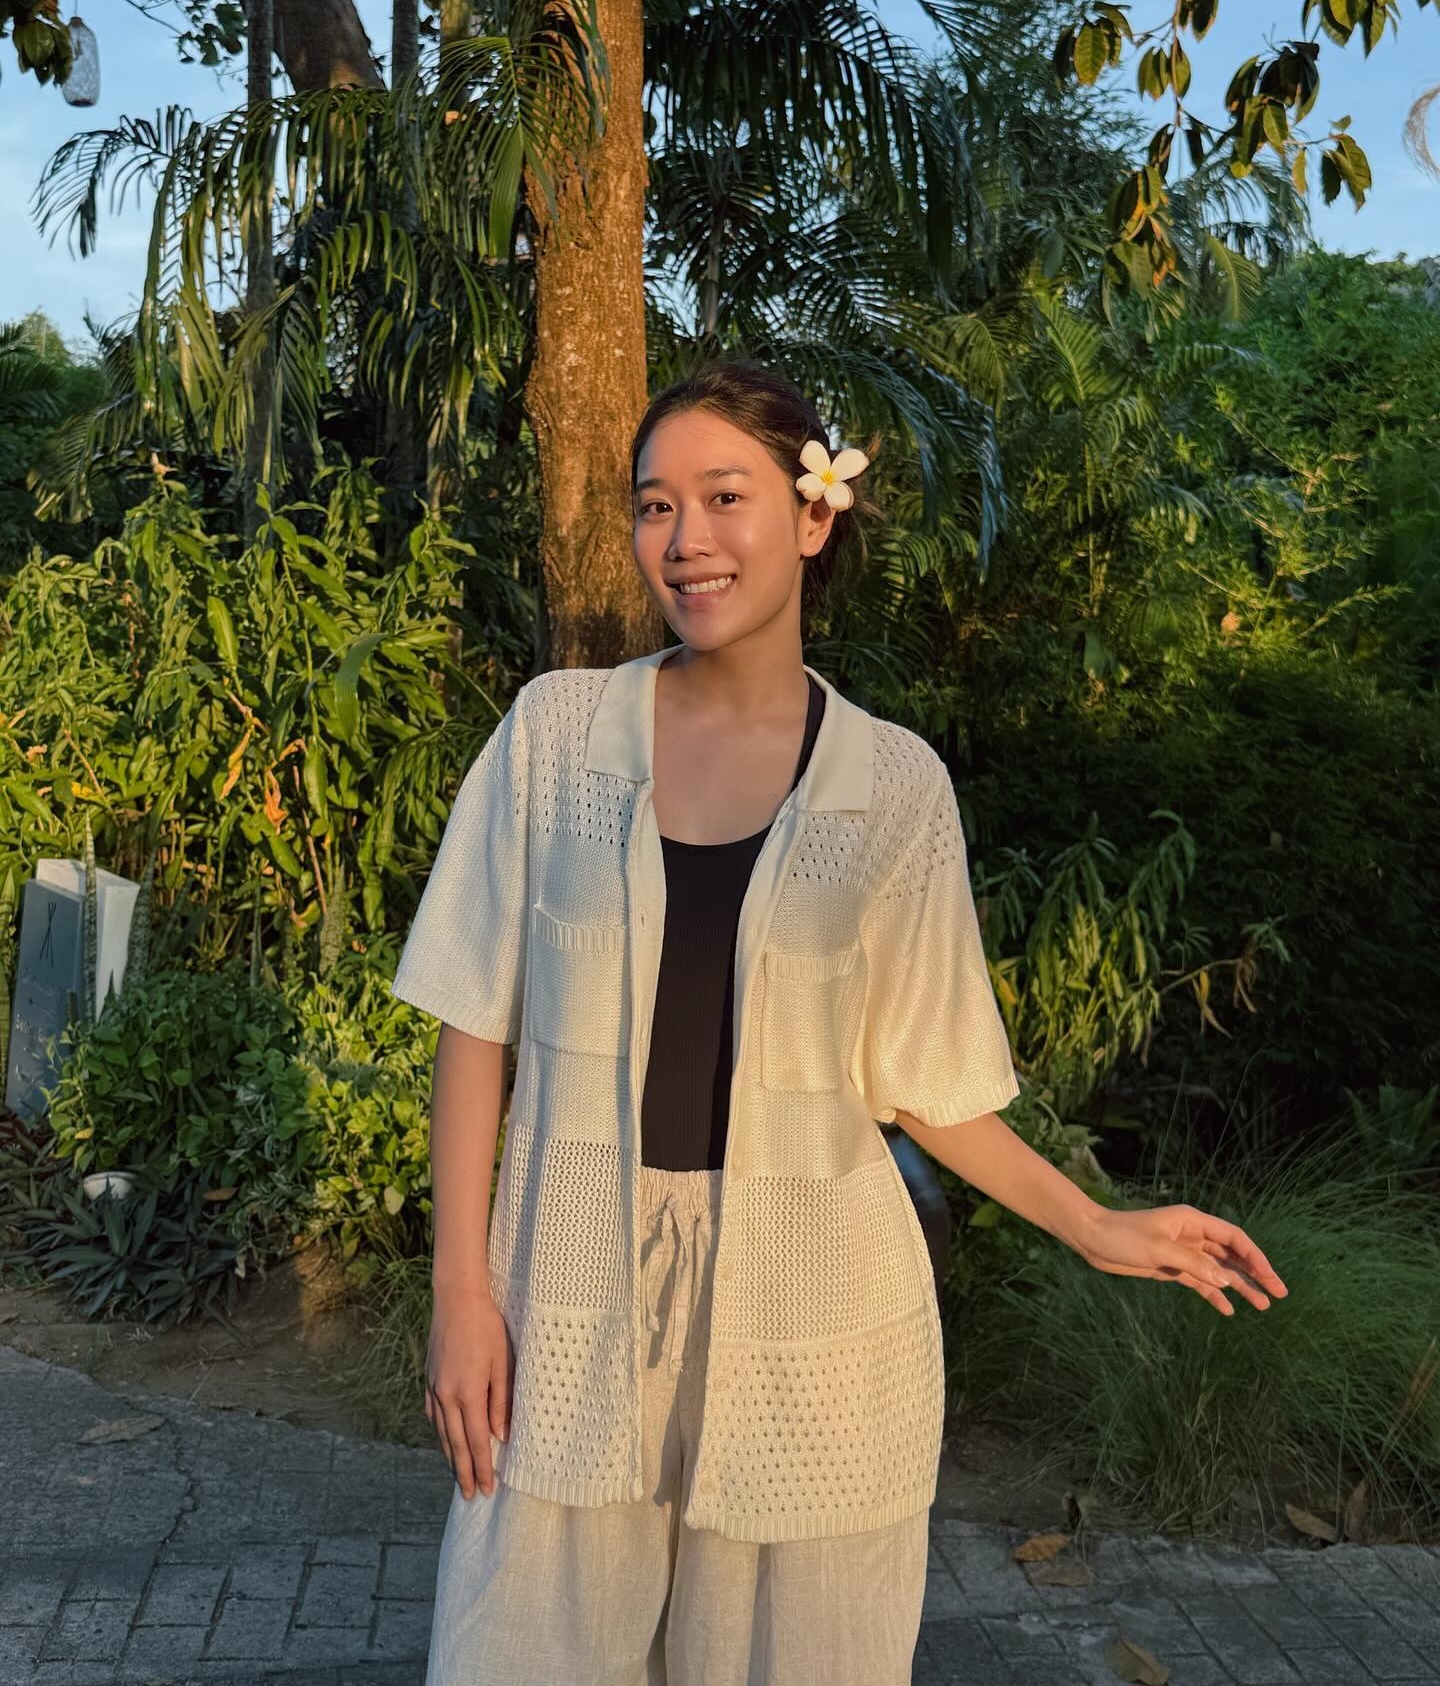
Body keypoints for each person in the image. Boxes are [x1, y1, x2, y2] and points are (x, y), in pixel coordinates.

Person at [390, 358, 1288, 1686]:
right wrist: (460, 1291)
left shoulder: (895, 787)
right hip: (566, 1281)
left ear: (814, 516)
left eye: (725, 496)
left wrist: (1097, 1224)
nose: (685, 539)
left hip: (814, 1305)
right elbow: (475, 1019)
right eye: (654, 505)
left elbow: (923, 1082)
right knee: (513, 1649)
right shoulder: (555, 738)